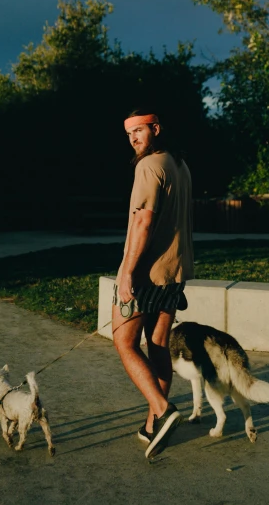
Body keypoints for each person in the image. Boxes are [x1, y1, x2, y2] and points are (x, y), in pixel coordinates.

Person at [112, 109, 194, 459]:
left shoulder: (148, 166)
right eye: (129, 132)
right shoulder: (181, 164)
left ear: (156, 129)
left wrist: (127, 271)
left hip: (147, 272)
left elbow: (143, 223)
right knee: (158, 343)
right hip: (176, 270)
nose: (133, 138)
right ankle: (152, 426)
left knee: (124, 342)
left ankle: (162, 409)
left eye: (139, 130)